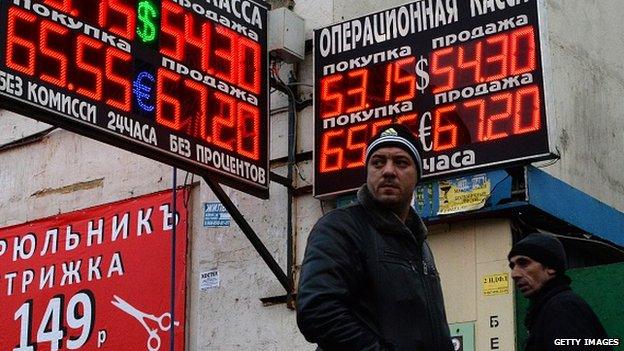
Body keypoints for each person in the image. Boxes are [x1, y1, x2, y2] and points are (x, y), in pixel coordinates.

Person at [297, 124, 453, 351]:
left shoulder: (421, 245)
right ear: (368, 171)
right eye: (378, 162)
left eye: (401, 162)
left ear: (418, 175)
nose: (388, 171)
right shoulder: (340, 227)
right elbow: (317, 311)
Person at [508, 233, 613, 351]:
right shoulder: (547, 308)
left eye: (523, 263)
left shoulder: (562, 307)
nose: (514, 274)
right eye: (512, 266)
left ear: (551, 268)